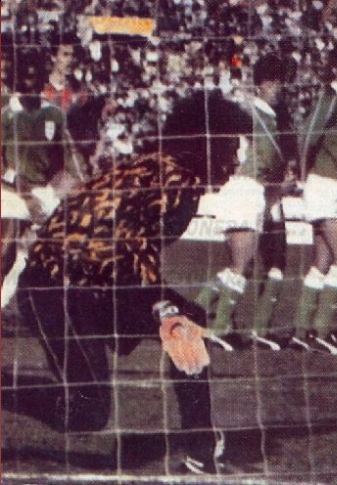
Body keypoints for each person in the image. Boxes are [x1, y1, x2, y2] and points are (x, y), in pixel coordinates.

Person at [15, 90, 252, 475]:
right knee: (87, 413)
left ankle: (201, 444)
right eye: (230, 147)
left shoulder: (163, 169)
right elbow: (128, 237)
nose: (236, 160)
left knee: (185, 323)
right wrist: (158, 299)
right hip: (55, 288)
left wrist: (158, 301)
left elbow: (125, 238)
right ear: (204, 144)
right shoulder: (175, 178)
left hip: (95, 283)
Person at [193, 54, 296, 350]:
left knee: (242, 266)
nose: (277, 87)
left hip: (252, 191)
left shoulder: (271, 116)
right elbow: (260, 162)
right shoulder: (252, 113)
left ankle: (196, 316)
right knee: (241, 264)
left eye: (279, 82)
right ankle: (216, 325)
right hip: (245, 190)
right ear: (260, 84)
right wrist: (280, 184)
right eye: (271, 81)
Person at [289, 38, 337, 355]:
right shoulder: (331, 97)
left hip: (328, 184)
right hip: (323, 184)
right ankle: (321, 331)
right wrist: (303, 174)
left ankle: (300, 331)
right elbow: (307, 135)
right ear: (334, 68)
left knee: (322, 260)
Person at [1, 50, 89, 308]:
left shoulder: (54, 115)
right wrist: (25, 196)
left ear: (43, 81)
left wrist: (62, 189)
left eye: (35, 77)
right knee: (7, 249)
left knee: (58, 253)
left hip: (44, 192)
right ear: (16, 80)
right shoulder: (5, 113)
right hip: (10, 190)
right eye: (25, 77)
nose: (30, 83)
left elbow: (63, 163)